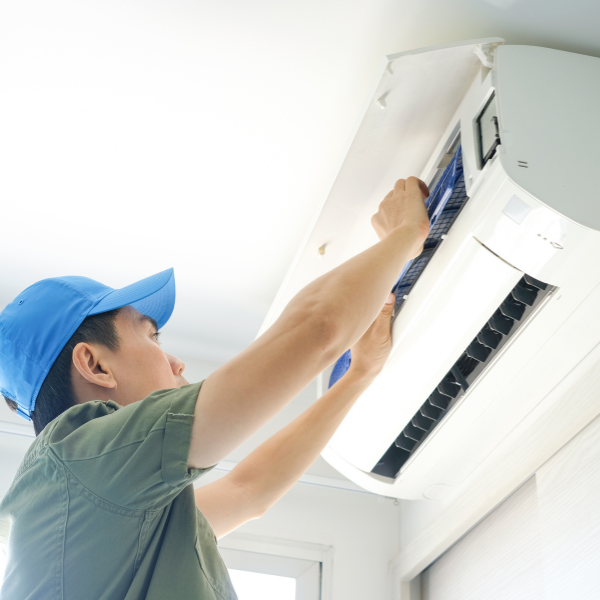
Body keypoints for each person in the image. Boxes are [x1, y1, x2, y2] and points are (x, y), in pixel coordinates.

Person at [0, 177, 429, 600]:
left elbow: (250, 490)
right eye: (151, 337)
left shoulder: (106, 510)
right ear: (94, 364)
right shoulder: (81, 461)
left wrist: (360, 374)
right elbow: (316, 331)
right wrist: (405, 236)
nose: (176, 362)